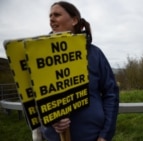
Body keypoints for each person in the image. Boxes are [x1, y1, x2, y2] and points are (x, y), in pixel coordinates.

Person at [40, 1, 119, 141]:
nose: (51, 19)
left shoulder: (94, 54)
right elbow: (34, 99)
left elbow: (111, 93)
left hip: (92, 136)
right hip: (55, 137)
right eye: (50, 16)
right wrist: (49, 118)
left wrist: (105, 135)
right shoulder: (41, 56)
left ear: (74, 20)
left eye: (57, 15)